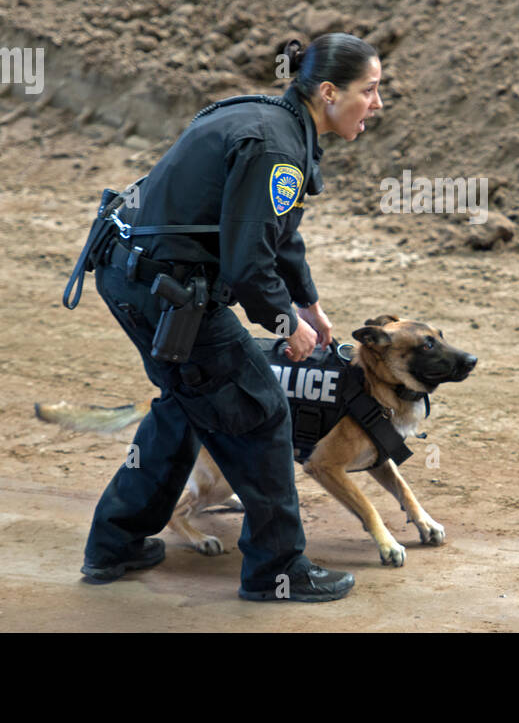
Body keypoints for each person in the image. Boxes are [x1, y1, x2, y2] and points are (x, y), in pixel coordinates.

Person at [78, 32, 382, 602]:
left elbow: (277, 232)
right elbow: (248, 263)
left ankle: (114, 543)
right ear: (328, 92)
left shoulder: (275, 121)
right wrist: (285, 325)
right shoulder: (276, 146)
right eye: (370, 90)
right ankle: (277, 570)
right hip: (167, 291)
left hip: (133, 274)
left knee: (189, 407)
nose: (378, 103)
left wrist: (308, 303)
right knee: (262, 412)